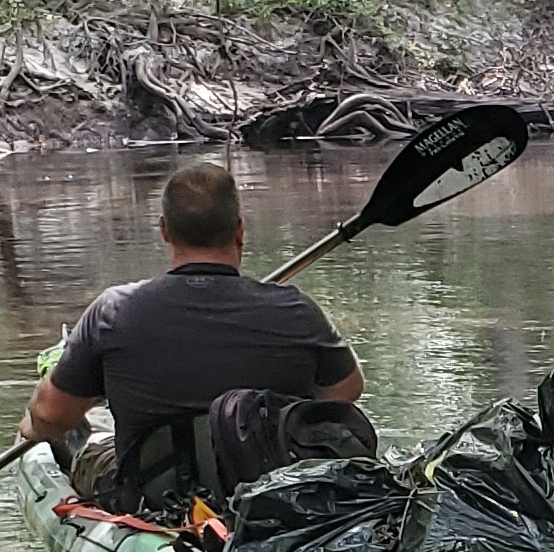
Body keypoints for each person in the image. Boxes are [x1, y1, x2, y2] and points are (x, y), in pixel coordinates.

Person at [20, 157, 363, 515]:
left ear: (165, 231)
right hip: (266, 495)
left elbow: (51, 416)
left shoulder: (113, 312)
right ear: (240, 231)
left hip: (150, 497)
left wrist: (30, 427)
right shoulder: (297, 311)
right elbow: (345, 393)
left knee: (85, 437)